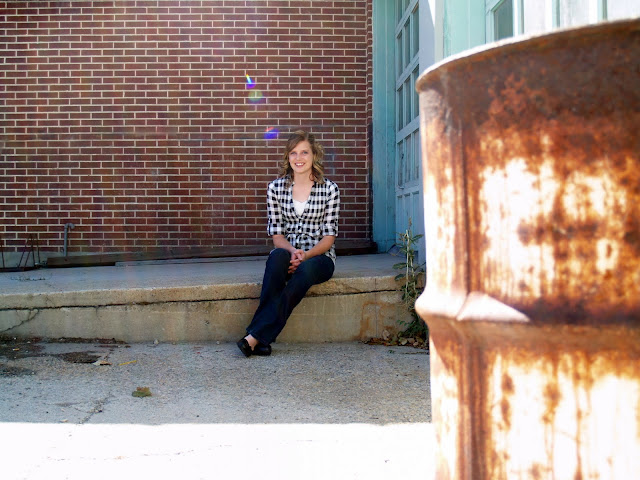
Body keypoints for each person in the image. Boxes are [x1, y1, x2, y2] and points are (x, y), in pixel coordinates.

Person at [237, 130, 340, 357]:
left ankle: (254, 336)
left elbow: (329, 238)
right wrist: (293, 252)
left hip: (319, 257)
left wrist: (305, 255)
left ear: (314, 155)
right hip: (288, 252)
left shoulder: (329, 189)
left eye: (304, 152)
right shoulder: (275, 189)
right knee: (276, 259)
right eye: (293, 153)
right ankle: (261, 341)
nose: (298, 158)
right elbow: (277, 236)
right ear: (288, 157)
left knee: (305, 271)